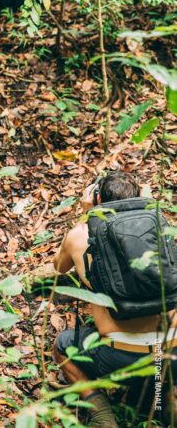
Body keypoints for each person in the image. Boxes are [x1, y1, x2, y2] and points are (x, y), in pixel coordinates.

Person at [52, 170, 177, 427]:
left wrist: (85, 213)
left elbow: (58, 267)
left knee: (62, 345)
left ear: (96, 199)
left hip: (117, 359)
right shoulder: (165, 231)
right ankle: (166, 403)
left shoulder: (79, 236)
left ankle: (102, 416)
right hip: (171, 354)